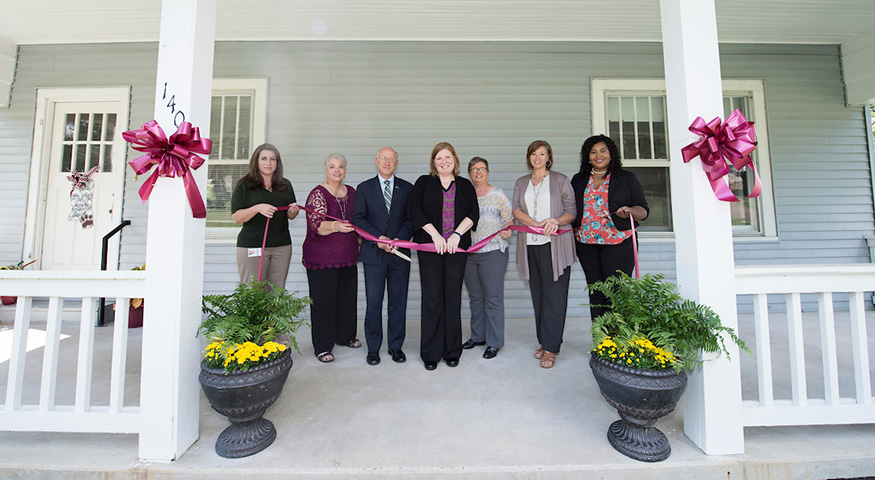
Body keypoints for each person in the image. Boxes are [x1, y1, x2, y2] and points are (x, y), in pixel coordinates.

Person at [410, 142, 479, 371]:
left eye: (447, 157)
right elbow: (415, 211)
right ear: (433, 162)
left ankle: (451, 350)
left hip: (456, 251)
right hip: (430, 249)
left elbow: (473, 213)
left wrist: (457, 234)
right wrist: (435, 235)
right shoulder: (423, 182)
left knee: (452, 298)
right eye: (439, 158)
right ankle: (430, 352)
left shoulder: (465, 185)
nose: (443, 161)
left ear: (455, 160)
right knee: (432, 299)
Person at [512, 140, 576, 369]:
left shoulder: (560, 180)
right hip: (530, 244)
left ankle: (551, 348)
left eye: (542, 154)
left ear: (549, 157)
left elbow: (571, 211)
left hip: (555, 246)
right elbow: (517, 210)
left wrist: (555, 221)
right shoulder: (522, 182)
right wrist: (537, 223)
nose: (537, 158)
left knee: (555, 297)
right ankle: (545, 341)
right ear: (529, 157)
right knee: (538, 296)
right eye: (533, 154)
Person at [571, 134, 649, 321]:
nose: (598, 155)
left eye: (603, 150)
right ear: (587, 156)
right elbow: (570, 209)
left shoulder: (626, 178)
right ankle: (601, 342)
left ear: (611, 153)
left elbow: (643, 211)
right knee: (596, 292)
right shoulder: (579, 180)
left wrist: (629, 210)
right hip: (587, 244)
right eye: (593, 152)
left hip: (619, 242)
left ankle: (617, 344)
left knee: (617, 293)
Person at [352, 147, 414, 366]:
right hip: (373, 254)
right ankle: (374, 348)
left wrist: (398, 239)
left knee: (398, 302)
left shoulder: (407, 188)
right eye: (383, 159)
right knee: (374, 302)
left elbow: (411, 219)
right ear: (376, 161)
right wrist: (377, 238)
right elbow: (358, 219)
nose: (387, 163)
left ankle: (396, 346)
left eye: (391, 159)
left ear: (396, 162)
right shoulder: (364, 188)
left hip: (399, 254)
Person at [302, 153, 360, 363]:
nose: (337, 170)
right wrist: (335, 226)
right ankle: (323, 346)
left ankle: (345, 336)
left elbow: (359, 220)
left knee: (346, 298)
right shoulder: (318, 193)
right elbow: (315, 224)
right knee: (323, 302)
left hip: (348, 256)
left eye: (341, 166)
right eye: (332, 167)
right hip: (322, 259)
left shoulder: (352, 192)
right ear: (325, 170)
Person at [462, 157, 513, 359]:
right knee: (475, 298)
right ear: (469, 173)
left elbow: (509, 218)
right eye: (474, 169)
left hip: (493, 252)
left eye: (482, 169)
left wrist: (508, 229)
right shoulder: (465, 195)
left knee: (492, 297)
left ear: (488, 171)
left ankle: (494, 342)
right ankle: (478, 336)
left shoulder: (498, 194)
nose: (478, 173)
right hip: (469, 253)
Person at [231, 143, 300, 288]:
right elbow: (236, 218)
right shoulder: (244, 185)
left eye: (272, 159)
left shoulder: (285, 184)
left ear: (277, 163)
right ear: (256, 161)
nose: (268, 163)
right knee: (253, 292)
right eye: (264, 158)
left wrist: (292, 212)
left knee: (276, 291)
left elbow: (290, 215)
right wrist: (257, 208)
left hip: (282, 246)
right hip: (252, 245)